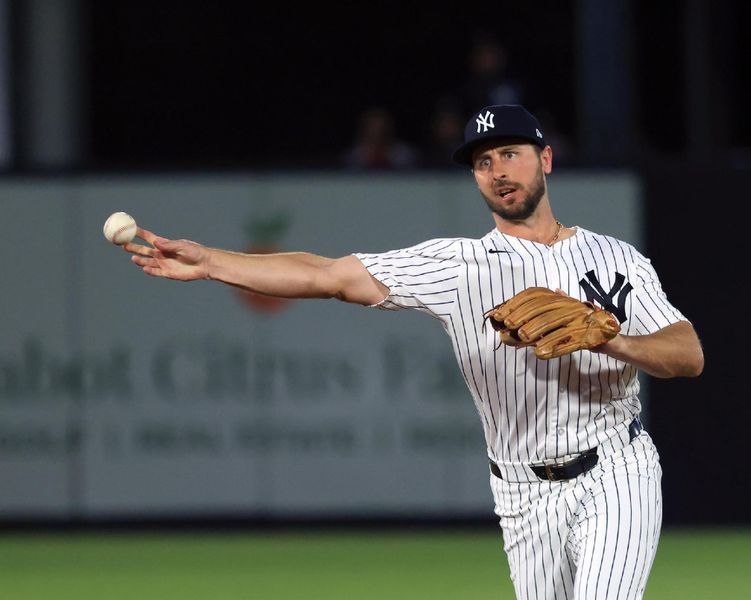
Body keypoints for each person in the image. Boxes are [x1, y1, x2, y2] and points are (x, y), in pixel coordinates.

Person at [122, 104, 704, 600]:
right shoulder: (457, 266)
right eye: (483, 161)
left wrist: (613, 340)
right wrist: (213, 264)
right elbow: (328, 274)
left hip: (614, 470)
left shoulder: (618, 258)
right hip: (522, 492)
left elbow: (687, 353)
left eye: (509, 153)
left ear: (545, 159)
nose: (497, 170)